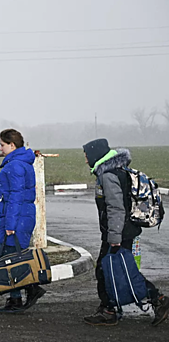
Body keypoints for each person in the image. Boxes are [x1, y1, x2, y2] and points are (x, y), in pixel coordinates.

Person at [82, 138, 169, 326]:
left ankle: (154, 301)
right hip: (124, 230)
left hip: (119, 232)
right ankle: (112, 308)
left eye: (87, 155)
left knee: (112, 271)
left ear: (96, 154)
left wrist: (114, 237)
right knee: (119, 270)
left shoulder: (108, 175)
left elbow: (115, 208)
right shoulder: (116, 171)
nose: (85, 159)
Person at [0, 128, 45, 314]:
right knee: (14, 257)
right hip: (22, 216)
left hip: (17, 218)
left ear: (12, 145)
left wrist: (10, 225)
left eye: (2, 145)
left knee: (10, 259)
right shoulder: (22, 163)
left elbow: (15, 196)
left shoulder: (15, 166)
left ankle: (23, 295)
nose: (0, 149)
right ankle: (18, 295)